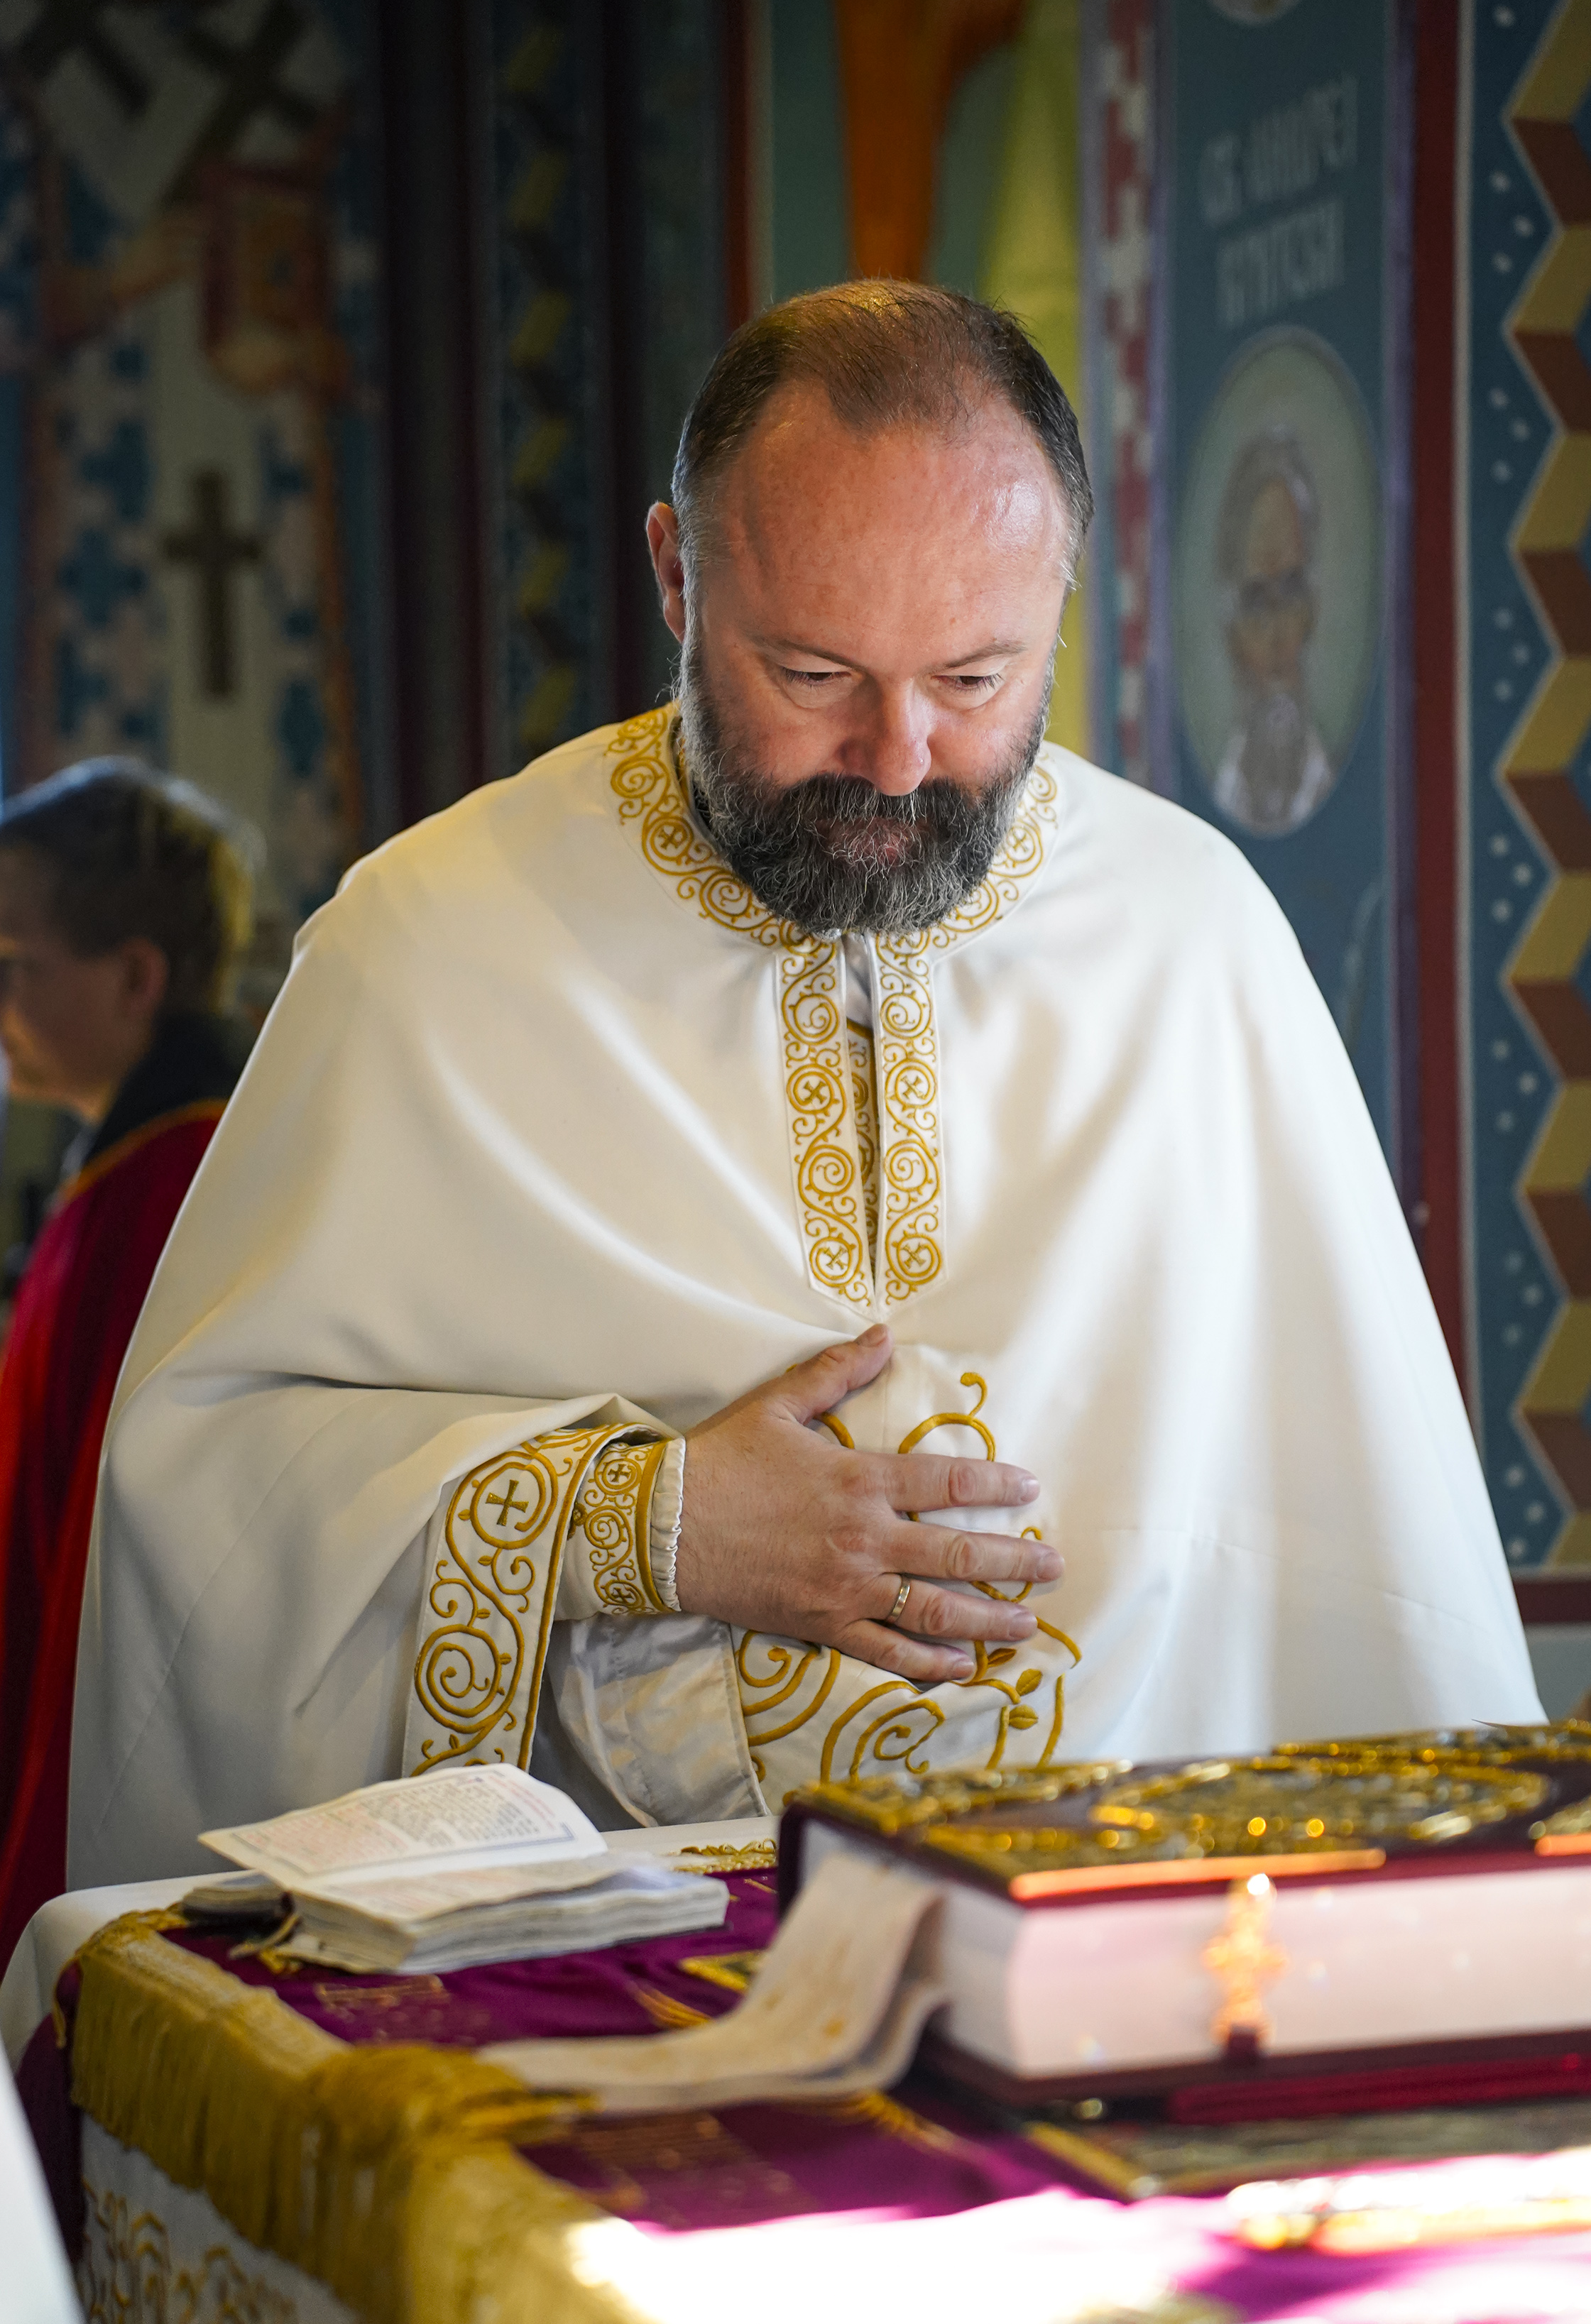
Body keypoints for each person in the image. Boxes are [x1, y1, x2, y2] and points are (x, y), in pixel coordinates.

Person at [70, 283, 1537, 1891]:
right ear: (676, 576)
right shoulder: (430, 946)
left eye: (974, 680)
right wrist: (648, 1522)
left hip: (1117, 1929)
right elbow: (212, 1504)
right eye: (815, 672)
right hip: (597, 1958)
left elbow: (1356, 1551)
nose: (898, 760)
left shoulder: (1196, 945)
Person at [0, 760, 251, 1960]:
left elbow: (128, 1544)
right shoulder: (119, 1163)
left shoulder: (176, 1184)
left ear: (136, 977)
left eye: (15, 966)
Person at [1210, 429, 1334, 835]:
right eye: (1257, 603)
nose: (1279, 638)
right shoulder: (1218, 796)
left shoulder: (1332, 787)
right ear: (1231, 629)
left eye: (1292, 591)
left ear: (1312, 611)